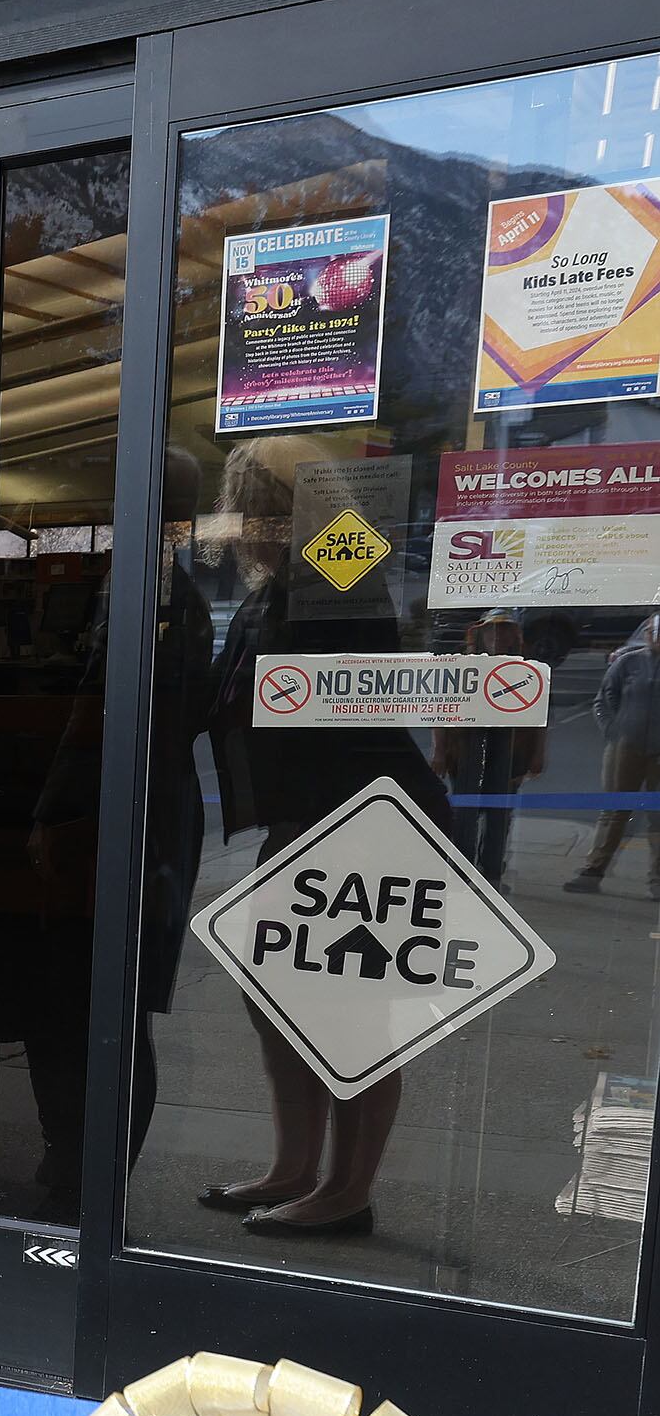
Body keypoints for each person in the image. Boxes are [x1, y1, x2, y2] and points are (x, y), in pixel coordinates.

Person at [192, 433, 450, 1240]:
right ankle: (296, 1168)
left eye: (241, 506)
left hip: (358, 822)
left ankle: (346, 1192)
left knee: (349, 1012)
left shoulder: (335, 569)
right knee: (277, 998)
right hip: (304, 820)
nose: (228, 526)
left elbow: (336, 691)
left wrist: (307, 498)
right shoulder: (281, 588)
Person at [432, 610, 544, 887]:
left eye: (504, 629)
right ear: (479, 633)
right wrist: (439, 750)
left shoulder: (525, 668)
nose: (497, 636)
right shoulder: (462, 666)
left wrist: (538, 754)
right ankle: (461, 872)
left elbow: (541, 716)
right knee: (465, 813)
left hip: (511, 747)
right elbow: (441, 710)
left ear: (513, 634)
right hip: (467, 746)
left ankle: (492, 873)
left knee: (500, 813)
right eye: (492, 629)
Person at [565, 612, 659, 896]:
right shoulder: (628, 662)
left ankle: (658, 880)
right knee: (615, 810)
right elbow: (605, 698)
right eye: (654, 634)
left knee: (658, 816)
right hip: (625, 747)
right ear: (648, 635)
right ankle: (594, 870)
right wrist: (613, 731)